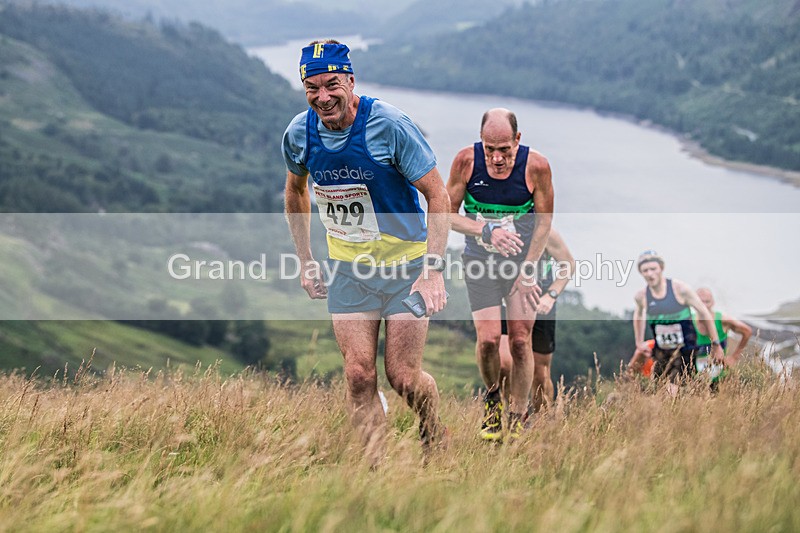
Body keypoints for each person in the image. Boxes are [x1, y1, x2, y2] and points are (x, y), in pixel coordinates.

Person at [282, 40, 450, 461]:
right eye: (313, 88)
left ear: (351, 81)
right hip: (349, 271)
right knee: (358, 374)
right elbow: (295, 191)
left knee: (404, 378)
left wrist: (432, 270)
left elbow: (438, 194)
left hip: (405, 268)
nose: (323, 97)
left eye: (332, 85)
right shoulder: (299, 134)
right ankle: (375, 469)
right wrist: (306, 262)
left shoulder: (389, 126)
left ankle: (434, 431)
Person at [447, 108, 554, 440]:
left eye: (504, 150)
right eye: (489, 149)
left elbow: (544, 222)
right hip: (481, 262)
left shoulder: (536, 167)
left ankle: (519, 414)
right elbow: (444, 216)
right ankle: (493, 399)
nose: (496, 158)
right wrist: (484, 230)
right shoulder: (465, 162)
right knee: (490, 340)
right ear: (481, 142)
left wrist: (530, 268)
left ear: (517, 141)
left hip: (521, 266)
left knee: (521, 342)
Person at [498, 228, 575, 415]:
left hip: (540, 303)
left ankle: (543, 422)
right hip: (507, 301)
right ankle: (511, 415)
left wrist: (551, 295)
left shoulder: (546, 232)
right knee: (504, 363)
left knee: (540, 373)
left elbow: (568, 265)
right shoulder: (499, 226)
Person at [631, 251, 724, 395]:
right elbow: (638, 315)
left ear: (661, 268)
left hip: (685, 350)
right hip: (661, 351)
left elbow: (704, 312)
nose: (650, 274)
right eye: (645, 270)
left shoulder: (680, 289)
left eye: (653, 269)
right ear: (641, 273)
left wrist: (716, 345)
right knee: (658, 392)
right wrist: (638, 342)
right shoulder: (641, 296)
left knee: (671, 392)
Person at [692, 287, 753, 381]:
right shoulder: (689, 322)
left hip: (719, 378)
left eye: (707, 301)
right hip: (694, 379)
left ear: (713, 303)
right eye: (700, 302)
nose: (703, 305)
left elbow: (747, 331)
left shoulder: (722, 320)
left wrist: (734, 357)